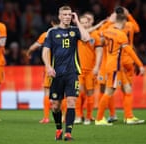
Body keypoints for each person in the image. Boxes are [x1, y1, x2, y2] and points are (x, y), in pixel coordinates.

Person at [42, 5, 90, 141]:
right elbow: (45, 51)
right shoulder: (52, 32)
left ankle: (68, 133)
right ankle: (58, 129)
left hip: (72, 72)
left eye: (70, 14)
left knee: (71, 101)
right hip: (56, 73)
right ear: (59, 16)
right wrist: (48, 67)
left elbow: (86, 38)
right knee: (56, 105)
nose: (67, 17)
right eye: (65, 15)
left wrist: (78, 22)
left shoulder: (75, 31)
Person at [95, 7, 145, 126]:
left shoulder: (107, 30)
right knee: (109, 92)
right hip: (115, 66)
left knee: (127, 89)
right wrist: (140, 65)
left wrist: (108, 21)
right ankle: (99, 118)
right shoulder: (121, 35)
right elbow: (130, 51)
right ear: (123, 22)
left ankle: (129, 117)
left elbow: (98, 33)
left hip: (113, 65)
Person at [27, 16, 59, 124]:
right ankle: (64, 117)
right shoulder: (68, 34)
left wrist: (28, 53)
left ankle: (46, 117)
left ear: (52, 23)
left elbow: (34, 47)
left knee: (47, 92)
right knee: (63, 92)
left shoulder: (46, 35)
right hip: (64, 67)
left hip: (50, 67)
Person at [74, 14, 103, 125]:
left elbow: (99, 52)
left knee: (90, 94)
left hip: (91, 70)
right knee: (78, 93)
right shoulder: (77, 34)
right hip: (78, 70)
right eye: (82, 22)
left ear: (90, 23)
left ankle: (88, 117)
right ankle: (78, 116)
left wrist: (96, 67)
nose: (85, 24)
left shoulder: (95, 35)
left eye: (86, 22)